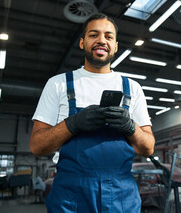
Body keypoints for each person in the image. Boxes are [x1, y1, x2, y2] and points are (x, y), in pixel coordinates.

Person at [30, 13, 155, 213]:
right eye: (93, 35)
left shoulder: (132, 88)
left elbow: (148, 148)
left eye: (108, 36)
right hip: (71, 196)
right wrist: (72, 124)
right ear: (82, 42)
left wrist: (130, 127)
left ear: (115, 46)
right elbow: (37, 146)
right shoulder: (58, 84)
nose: (101, 40)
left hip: (121, 196)